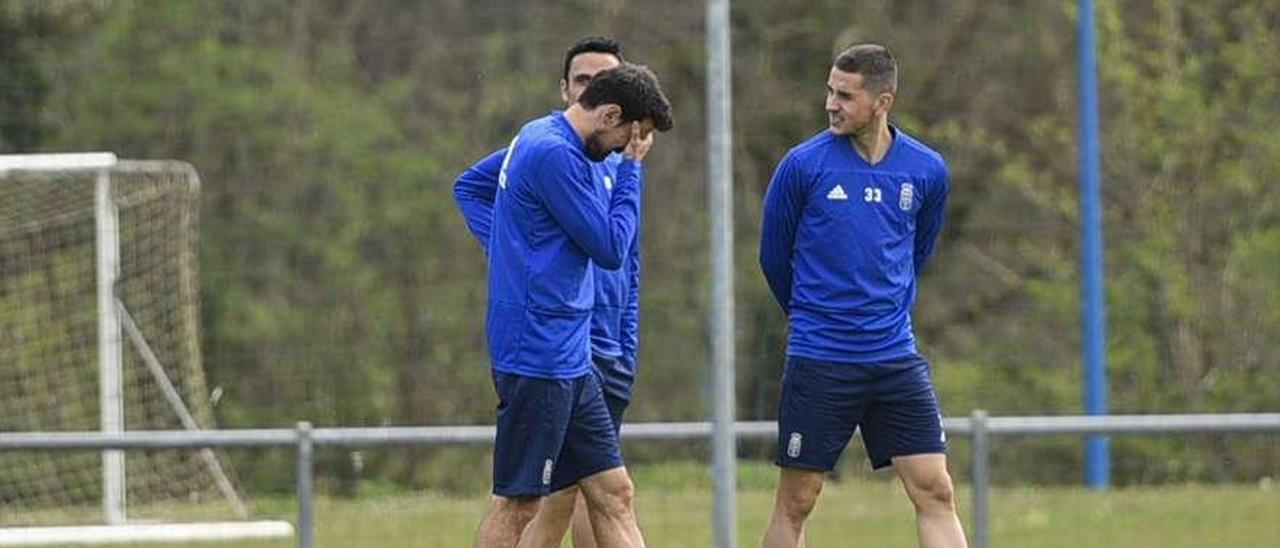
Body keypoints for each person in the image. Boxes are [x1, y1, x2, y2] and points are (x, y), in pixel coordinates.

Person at [758, 44, 967, 548]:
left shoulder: (926, 170)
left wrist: (884, 308)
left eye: (845, 95)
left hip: (894, 357)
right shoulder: (802, 166)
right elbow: (773, 257)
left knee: (936, 490)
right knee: (797, 501)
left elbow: (916, 253)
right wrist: (813, 315)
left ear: (882, 101)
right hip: (821, 358)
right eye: (830, 91)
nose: (831, 103)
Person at [468, 63, 672, 548]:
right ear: (610, 115)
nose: (627, 147)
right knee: (518, 504)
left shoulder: (540, 133)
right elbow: (609, 246)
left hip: (570, 356)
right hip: (538, 356)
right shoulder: (554, 154)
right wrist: (631, 173)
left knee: (613, 491)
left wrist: (518, 256)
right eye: (631, 135)